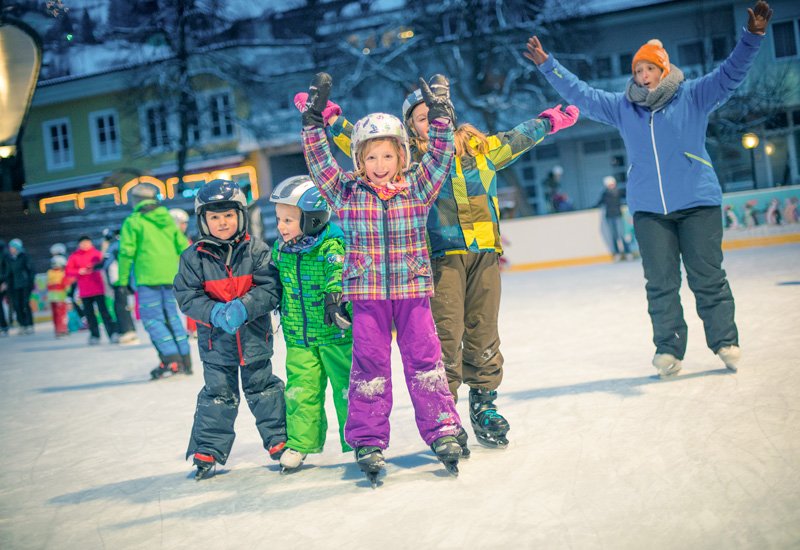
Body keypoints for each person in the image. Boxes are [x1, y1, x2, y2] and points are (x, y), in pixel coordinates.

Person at [305, 78, 578, 451]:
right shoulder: (412, 166)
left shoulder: (481, 150)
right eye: (415, 118)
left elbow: (517, 138)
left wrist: (549, 121)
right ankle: (444, 417)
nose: (423, 122)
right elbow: (363, 142)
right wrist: (326, 117)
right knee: (443, 338)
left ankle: (483, 404)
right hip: (438, 257)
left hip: (483, 251)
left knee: (483, 331)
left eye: (427, 115)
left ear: (442, 115)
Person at [525, 0, 774, 376]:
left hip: (697, 203)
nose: (642, 76)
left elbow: (730, 73)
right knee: (660, 282)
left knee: (708, 277)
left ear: (663, 69)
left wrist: (752, 37)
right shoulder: (624, 108)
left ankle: (725, 341)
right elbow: (582, 95)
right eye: (637, 70)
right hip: (648, 210)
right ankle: (669, 350)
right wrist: (549, 65)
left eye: (648, 68)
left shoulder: (694, 95)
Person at [299, 72, 464, 483]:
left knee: (426, 363)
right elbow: (320, 163)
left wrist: (442, 116)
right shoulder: (347, 193)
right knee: (370, 367)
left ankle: (443, 428)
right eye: (370, 158)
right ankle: (369, 438)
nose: (379, 166)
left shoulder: (418, 187)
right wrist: (312, 123)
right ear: (358, 160)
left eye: (387, 157)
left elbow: (442, 155)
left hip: (412, 291)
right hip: (367, 295)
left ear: (402, 157)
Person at [173, 179, 287, 480]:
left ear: (240, 215)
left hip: (254, 340)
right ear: (203, 220)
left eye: (228, 215)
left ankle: (280, 441)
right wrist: (213, 312)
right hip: (216, 345)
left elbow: (270, 288)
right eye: (214, 217)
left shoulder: (258, 251)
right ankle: (207, 450)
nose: (222, 222)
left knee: (264, 389)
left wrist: (245, 307)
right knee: (217, 395)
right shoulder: (192, 258)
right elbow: (187, 296)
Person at [269, 175, 353, 473]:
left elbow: (338, 271)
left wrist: (335, 298)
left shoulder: (331, 245)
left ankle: (360, 440)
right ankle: (301, 444)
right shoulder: (281, 251)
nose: (281, 227)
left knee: (346, 389)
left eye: (289, 220)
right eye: (279, 219)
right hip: (298, 337)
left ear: (313, 217)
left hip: (335, 333)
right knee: (301, 391)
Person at [117, 183, 192, 377]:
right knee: (171, 316)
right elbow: (183, 246)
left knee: (152, 319)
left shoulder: (134, 222)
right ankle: (185, 359)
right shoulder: (167, 219)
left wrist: (122, 281)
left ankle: (171, 360)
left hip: (147, 278)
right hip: (170, 277)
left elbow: (126, 252)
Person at [66, 236, 119, 344]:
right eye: (83, 243)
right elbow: (68, 271)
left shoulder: (96, 254)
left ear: (90, 243)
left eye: (87, 243)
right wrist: (78, 271)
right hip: (85, 291)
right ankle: (94, 335)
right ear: (79, 244)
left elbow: (105, 264)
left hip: (98, 289)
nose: (85, 245)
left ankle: (113, 333)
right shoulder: (74, 256)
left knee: (104, 312)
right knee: (89, 315)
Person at [101, 228, 139, 345]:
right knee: (120, 306)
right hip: (119, 281)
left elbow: (107, 262)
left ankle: (128, 331)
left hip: (120, 281)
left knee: (121, 307)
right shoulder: (117, 246)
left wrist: (124, 281)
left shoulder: (118, 246)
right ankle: (126, 330)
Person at [169, 208, 198, 339]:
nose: (184, 226)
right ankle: (184, 330)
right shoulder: (171, 239)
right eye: (182, 223)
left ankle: (192, 328)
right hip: (176, 275)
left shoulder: (184, 238)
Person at [595, 176, 632, 261]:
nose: (611, 186)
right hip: (609, 217)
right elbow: (599, 202)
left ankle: (628, 252)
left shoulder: (619, 192)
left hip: (618, 215)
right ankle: (617, 253)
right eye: (609, 184)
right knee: (614, 236)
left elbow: (628, 197)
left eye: (612, 184)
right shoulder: (605, 194)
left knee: (621, 235)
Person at [7, 238, 35, 335]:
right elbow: (9, 274)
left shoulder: (24, 257)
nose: (11, 249)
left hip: (25, 285)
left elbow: (31, 270)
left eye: (12, 247)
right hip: (15, 286)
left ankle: (29, 325)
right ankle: (22, 325)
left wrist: (30, 283)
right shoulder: (10, 259)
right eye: (10, 247)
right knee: (17, 306)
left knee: (25, 304)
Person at [46, 255, 71, 338]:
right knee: (62, 314)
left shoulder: (49, 273)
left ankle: (57, 330)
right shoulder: (62, 274)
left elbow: (48, 285)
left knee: (55, 314)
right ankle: (62, 330)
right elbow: (67, 286)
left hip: (52, 298)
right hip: (60, 297)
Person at [0, 239, 10, 336]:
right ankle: (3, 326)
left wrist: (5, 282)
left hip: (3, 282)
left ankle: (4, 326)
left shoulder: (4, 254)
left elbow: (7, 269)